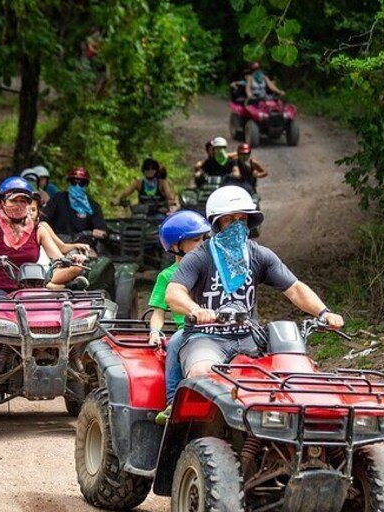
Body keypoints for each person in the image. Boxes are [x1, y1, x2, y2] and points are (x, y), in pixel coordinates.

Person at [165, 185, 344, 385]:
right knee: (202, 372)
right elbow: (174, 293)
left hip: (251, 336)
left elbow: (295, 288)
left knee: (292, 371)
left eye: (242, 219)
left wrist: (324, 312)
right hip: (206, 337)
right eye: (229, 220)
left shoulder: (260, 255)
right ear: (216, 224)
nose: (237, 225)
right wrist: (196, 309)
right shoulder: (199, 257)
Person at [0, 177, 84, 293]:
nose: (18, 205)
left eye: (23, 201)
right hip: (1, 290)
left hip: (32, 291)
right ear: (3, 202)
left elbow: (57, 258)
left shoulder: (39, 230)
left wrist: (72, 261)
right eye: (13, 200)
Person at [145, 211, 211, 424]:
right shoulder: (167, 276)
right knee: (174, 343)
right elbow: (158, 312)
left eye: (204, 239)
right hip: (190, 329)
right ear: (176, 246)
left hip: (218, 327)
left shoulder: (211, 268)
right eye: (195, 240)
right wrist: (155, 331)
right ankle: (173, 401)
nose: (202, 244)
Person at [27, 199, 92, 289]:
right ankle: (65, 287)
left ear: (38, 212)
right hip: (25, 274)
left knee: (78, 267)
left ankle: (61, 285)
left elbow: (61, 250)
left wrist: (74, 257)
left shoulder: (41, 228)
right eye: (26, 209)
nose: (29, 213)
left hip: (49, 271)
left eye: (33, 210)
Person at [42, 167, 108, 242]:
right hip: (58, 243)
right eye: (74, 182)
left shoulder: (93, 206)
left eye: (81, 183)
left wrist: (92, 233)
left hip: (84, 245)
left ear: (86, 185)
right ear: (69, 183)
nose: (77, 186)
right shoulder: (58, 199)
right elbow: (44, 219)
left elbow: (102, 231)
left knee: (92, 253)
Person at [112, 157, 177, 215]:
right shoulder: (139, 183)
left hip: (158, 213)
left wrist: (169, 203)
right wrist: (118, 198)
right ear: (143, 170)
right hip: (142, 212)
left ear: (156, 170)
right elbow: (125, 192)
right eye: (147, 168)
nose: (150, 171)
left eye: (153, 168)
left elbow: (170, 197)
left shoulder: (162, 183)